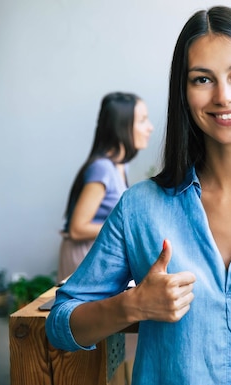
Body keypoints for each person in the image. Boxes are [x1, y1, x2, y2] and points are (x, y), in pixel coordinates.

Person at [46, 6, 231, 385]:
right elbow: (59, 324)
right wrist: (131, 305)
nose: (223, 96)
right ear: (184, 94)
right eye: (202, 79)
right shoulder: (140, 207)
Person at [58, 92, 153, 281]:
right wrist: (127, 228)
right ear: (122, 127)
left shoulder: (120, 165)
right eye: (142, 121)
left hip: (97, 253)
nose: (150, 127)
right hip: (84, 255)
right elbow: (77, 229)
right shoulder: (103, 169)